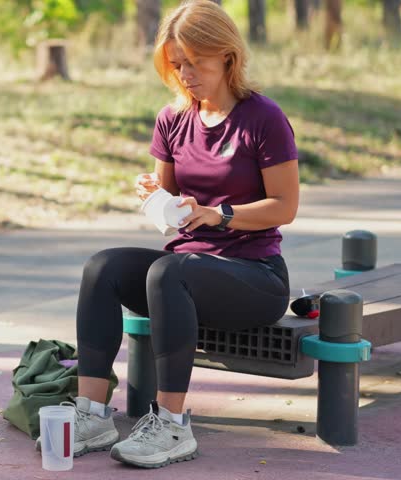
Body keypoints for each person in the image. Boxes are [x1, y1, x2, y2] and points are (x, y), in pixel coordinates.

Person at [61, 0, 299, 469]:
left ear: (226, 56)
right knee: (102, 267)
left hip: (254, 276)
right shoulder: (173, 118)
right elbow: (172, 212)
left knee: (170, 272)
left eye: (196, 62)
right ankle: (92, 414)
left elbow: (284, 207)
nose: (185, 74)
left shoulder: (263, 118)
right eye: (176, 64)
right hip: (184, 271)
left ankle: (171, 425)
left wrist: (219, 214)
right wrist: (154, 194)